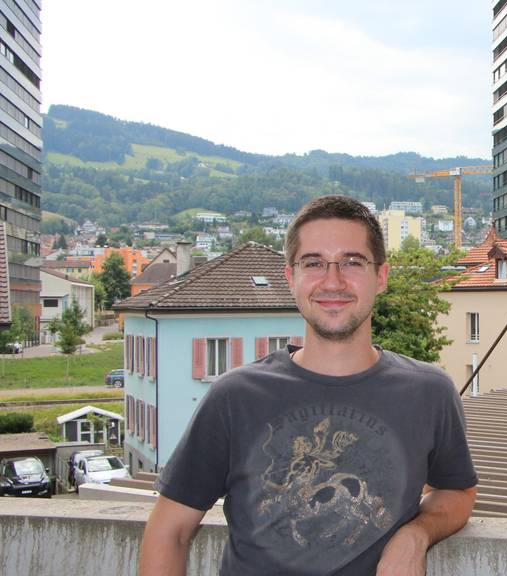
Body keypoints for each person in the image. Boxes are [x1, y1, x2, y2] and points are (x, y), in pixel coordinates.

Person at [140, 195, 477, 575]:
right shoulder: (235, 397)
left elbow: (456, 492)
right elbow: (169, 531)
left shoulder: (429, 392)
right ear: (291, 277)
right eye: (314, 263)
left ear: (381, 277)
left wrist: (415, 535)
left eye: (352, 262)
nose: (332, 281)